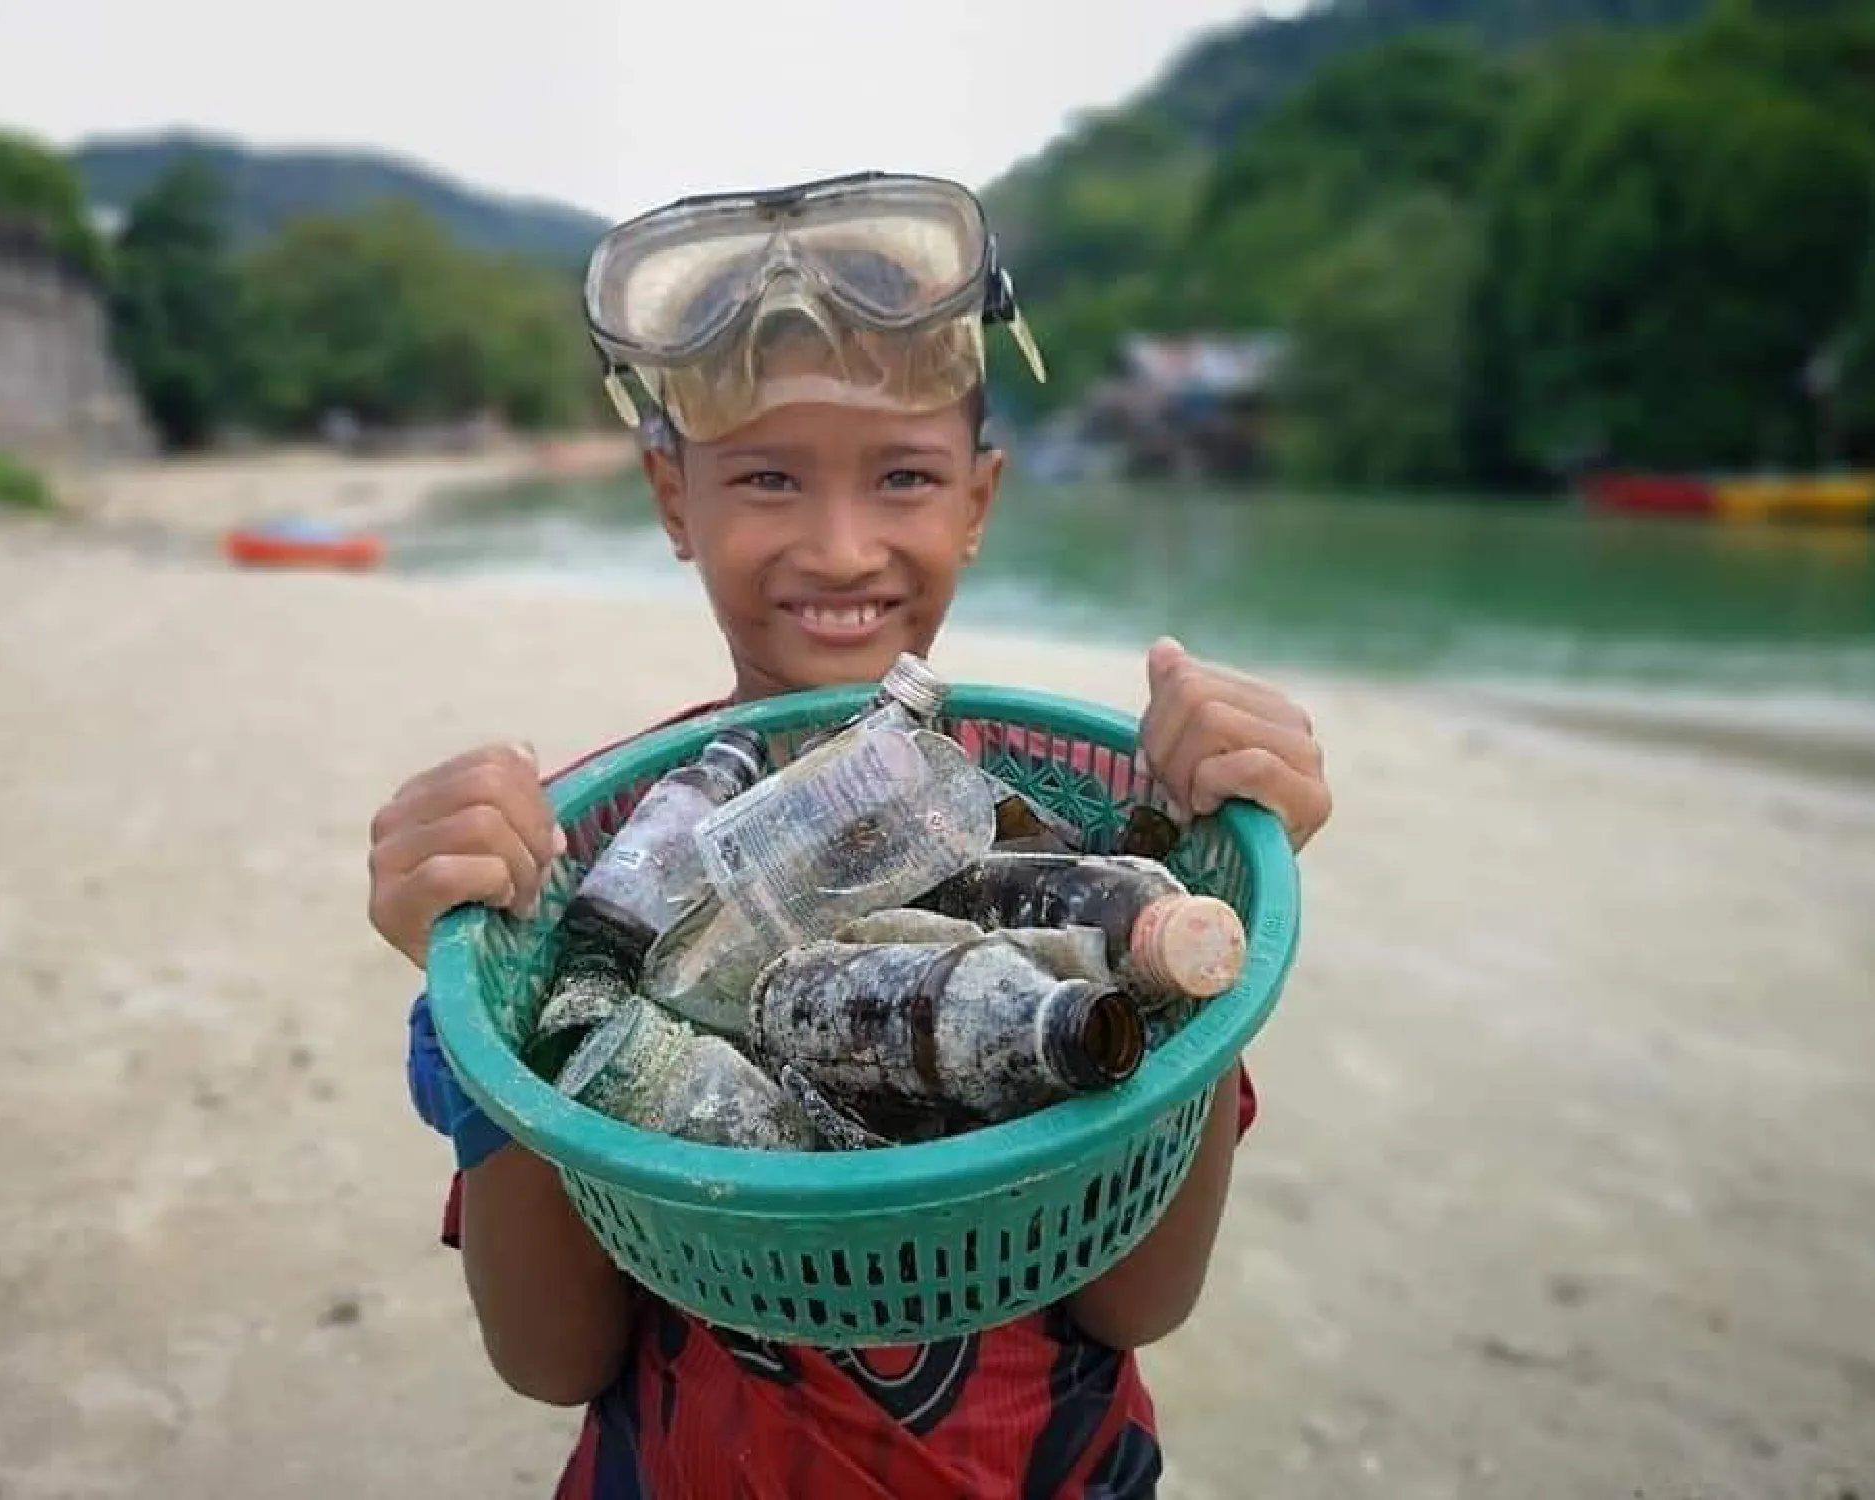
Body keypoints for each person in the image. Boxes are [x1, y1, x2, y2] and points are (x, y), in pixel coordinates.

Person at [367, 170, 1334, 1499]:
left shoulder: (1092, 831)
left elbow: (1135, 1305)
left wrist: (1229, 878)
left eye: (904, 477)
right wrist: (471, 986)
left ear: (978, 503)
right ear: (670, 496)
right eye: (767, 477)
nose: (838, 547)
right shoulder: (588, 858)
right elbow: (550, 1355)